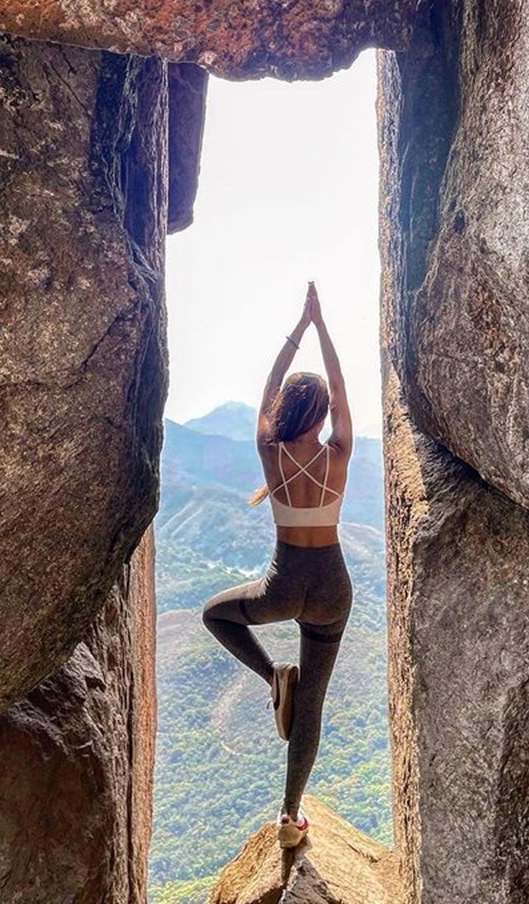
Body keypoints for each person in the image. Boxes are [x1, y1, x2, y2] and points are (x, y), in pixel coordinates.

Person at [201, 280, 354, 850]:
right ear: (324, 413)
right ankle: (290, 817)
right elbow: (339, 388)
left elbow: (269, 390)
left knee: (215, 616)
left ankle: (272, 677)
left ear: (287, 410)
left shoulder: (271, 449)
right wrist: (323, 327)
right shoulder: (338, 451)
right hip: (333, 587)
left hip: (284, 583)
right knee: (310, 707)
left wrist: (298, 329)